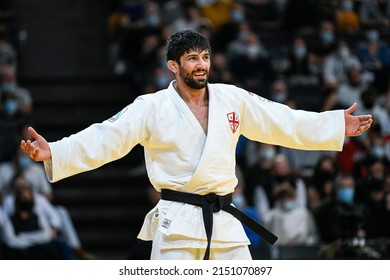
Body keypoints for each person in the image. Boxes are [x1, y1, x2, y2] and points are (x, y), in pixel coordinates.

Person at [20, 30, 372, 260]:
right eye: (192, 58)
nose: (201, 65)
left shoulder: (231, 98)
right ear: (173, 65)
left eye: (204, 57)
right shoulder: (151, 107)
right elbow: (106, 137)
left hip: (227, 224)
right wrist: (56, 150)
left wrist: (335, 123)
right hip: (177, 223)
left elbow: (282, 120)